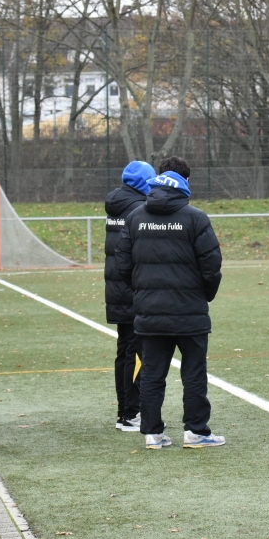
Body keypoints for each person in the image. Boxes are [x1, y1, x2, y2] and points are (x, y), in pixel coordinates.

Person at [115, 156, 224, 450]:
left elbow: (122, 265)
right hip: (190, 311)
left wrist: (142, 293)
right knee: (194, 373)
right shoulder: (196, 217)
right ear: (185, 182)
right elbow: (212, 266)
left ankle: (152, 433)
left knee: (152, 374)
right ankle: (196, 431)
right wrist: (203, 295)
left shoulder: (135, 217)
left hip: (149, 312)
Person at [104, 160, 155, 432]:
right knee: (136, 354)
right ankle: (131, 413)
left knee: (125, 352)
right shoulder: (138, 208)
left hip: (117, 289)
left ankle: (124, 411)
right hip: (132, 290)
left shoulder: (117, 205)